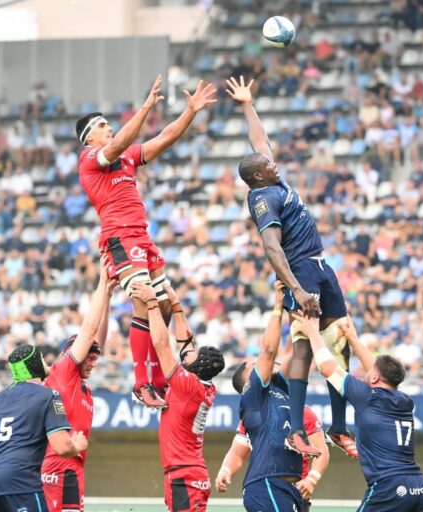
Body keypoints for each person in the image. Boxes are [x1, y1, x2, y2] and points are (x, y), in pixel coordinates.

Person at [226, 75, 356, 458]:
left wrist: (247, 104)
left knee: (339, 339)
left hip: (320, 265)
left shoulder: (272, 180)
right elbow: (271, 247)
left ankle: (338, 426)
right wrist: (296, 288)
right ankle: (296, 430)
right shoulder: (263, 198)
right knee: (303, 348)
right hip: (301, 270)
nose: (274, 164)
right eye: (268, 165)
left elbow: (260, 142)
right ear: (257, 177)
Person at [75, 75, 217, 409]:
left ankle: (157, 378)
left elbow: (165, 137)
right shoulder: (90, 158)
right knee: (144, 301)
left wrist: (191, 111)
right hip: (120, 236)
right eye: (103, 125)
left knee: (163, 305)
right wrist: (146, 107)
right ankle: (141, 384)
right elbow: (118, 144)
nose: (110, 128)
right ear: (89, 137)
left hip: (141, 236)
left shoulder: (125, 157)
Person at [293, 314, 423, 512]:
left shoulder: (368, 397)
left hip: (390, 487)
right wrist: (353, 339)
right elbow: (379, 373)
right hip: (421, 488)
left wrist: (313, 332)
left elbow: (326, 367)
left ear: (375, 377)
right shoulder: (404, 400)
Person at [130, 281, 224, 512]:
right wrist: (176, 304)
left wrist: (152, 302)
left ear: (198, 365)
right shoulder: (202, 384)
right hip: (188, 473)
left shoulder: (187, 385)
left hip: (185, 476)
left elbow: (161, 344)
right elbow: (185, 341)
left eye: (195, 354)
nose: (189, 351)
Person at [42, 255, 118, 512]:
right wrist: (102, 282)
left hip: (74, 465)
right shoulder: (64, 371)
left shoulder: (82, 386)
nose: (94, 363)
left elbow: (97, 341)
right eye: (90, 358)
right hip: (56, 463)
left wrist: (107, 296)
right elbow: (88, 331)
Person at [0, 345, 88, 512]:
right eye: (41, 359)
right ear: (35, 364)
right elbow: (62, 448)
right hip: (21, 482)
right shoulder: (48, 395)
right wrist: (77, 445)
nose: (46, 363)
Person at [228, 281, 308, 511]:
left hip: (287, 488)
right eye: (254, 365)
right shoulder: (253, 394)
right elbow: (269, 351)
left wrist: (297, 312)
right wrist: (278, 304)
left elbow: (291, 352)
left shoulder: (278, 388)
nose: (262, 364)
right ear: (248, 380)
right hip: (266, 484)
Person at [215, 404, 329, 512]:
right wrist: (226, 470)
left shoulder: (303, 412)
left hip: (299, 492)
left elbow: (322, 451)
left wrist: (312, 479)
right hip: (268, 486)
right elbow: (236, 453)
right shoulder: (253, 414)